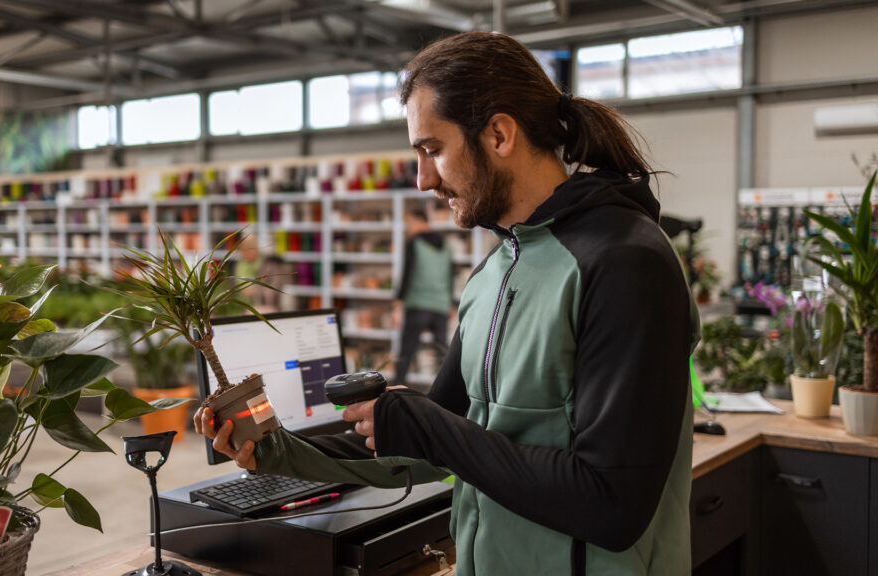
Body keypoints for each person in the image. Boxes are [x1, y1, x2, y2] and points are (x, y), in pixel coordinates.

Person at [195, 31, 698, 575]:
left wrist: (427, 424)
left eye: (432, 149)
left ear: (499, 134)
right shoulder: (495, 271)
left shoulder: (626, 261)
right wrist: (273, 449)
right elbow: (428, 448)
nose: (422, 179)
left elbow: (611, 504)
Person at [392, 208, 454, 388]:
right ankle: (446, 390)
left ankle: (397, 388)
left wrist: (398, 304)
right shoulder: (445, 244)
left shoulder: (414, 242)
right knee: (442, 353)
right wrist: (449, 303)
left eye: (409, 223)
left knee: (406, 350)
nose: (408, 227)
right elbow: (450, 275)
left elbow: (407, 273)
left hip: (418, 304)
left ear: (418, 221)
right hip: (441, 305)